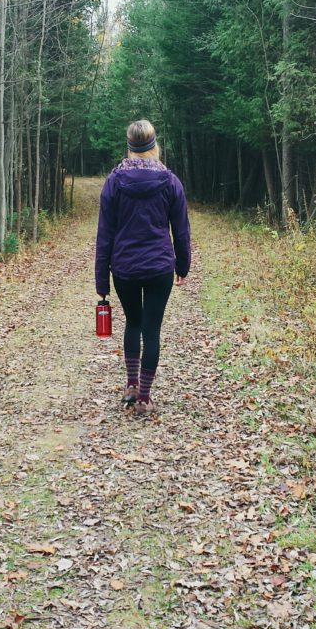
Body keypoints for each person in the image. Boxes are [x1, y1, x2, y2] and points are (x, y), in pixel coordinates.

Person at [95, 119, 191, 416]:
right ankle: (145, 398)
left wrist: (102, 281)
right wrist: (183, 264)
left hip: (124, 268)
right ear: (153, 145)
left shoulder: (114, 181)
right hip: (160, 267)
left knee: (133, 324)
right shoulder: (170, 181)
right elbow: (182, 229)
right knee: (151, 330)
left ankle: (131, 385)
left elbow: (105, 234)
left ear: (130, 145)